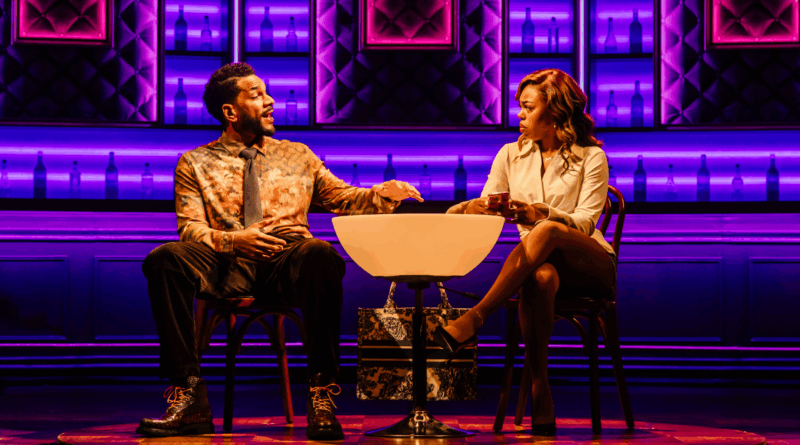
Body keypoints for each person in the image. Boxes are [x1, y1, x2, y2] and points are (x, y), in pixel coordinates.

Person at [137, 62, 422, 440]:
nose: (270, 101)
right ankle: (189, 396)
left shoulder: (298, 155)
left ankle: (321, 395)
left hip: (288, 259)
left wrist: (381, 194)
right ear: (230, 112)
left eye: (267, 93)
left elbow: (343, 198)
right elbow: (190, 228)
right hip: (227, 260)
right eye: (257, 95)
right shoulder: (194, 162)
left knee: (320, 253)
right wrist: (234, 240)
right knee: (164, 260)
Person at [433, 69, 616, 437]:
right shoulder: (510, 155)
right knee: (540, 277)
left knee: (546, 229)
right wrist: (472, 208)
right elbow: (488, 206)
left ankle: (476, 317)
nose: (519, 114)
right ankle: (540, 388)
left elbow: (585, 222)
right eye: (520, 106)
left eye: (528, 107)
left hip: (590, 263)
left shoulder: (591, 156)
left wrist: (538, 213)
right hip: (541, 265)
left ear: (555, 111)